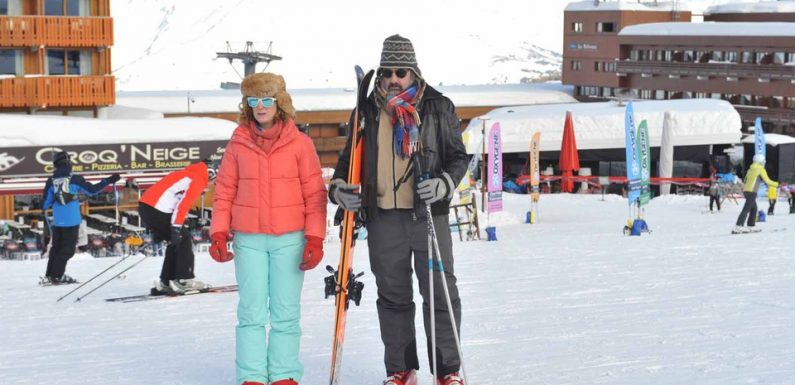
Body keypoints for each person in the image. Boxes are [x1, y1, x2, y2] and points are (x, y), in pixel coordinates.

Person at [328, 35, 469, 385]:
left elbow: (458, 158)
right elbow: (348, 164)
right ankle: (402, 369)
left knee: (439, 292)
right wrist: (338, 190)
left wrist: (444, 184)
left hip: (426, 217)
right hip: (382, 218)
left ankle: (447, 371)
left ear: (414, 73)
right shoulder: (366, 112)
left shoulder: (438, 106)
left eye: (401, 71)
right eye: (388, 71)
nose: (393, 78)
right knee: (393, 296)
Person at [209, 72, 327, 385]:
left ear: (279, 103)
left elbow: (315, 194)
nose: (260, 107)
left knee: (286, 312)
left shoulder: (300, 145)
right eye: (253, 100)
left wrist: (315, 237)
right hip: (249, 240)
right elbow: (224, 192)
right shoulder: (237, 145)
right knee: (251, 312)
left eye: (266, 100)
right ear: (247, 105)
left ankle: (284, 374)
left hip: (290, 240)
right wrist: (218, 233)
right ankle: (252, 377)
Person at [138, 159, 217, 294]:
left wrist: (178, 227)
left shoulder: (187, 174)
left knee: (176, 242)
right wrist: (176, 228)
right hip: (157, 209)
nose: (211, 182)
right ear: (211, 173)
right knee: (184, 239)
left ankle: (167, 280)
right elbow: (183, 205)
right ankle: (184, 279)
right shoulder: (198, 178)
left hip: (147, 207)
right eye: (214, 178)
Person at [41, 151, 120, 284]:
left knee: (56, 248)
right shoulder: (75, 179)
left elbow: (45, 204)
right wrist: (109, 180)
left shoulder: (51, 181)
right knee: (67, 250)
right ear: (69, 163)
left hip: (58, 221)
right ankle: (56, 276)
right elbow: (92, 190)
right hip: (72, 220)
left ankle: (50, 275)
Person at [733, 154, 778, 234]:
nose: (764, 163)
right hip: (752, 192)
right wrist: (777, 184)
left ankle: (751, 225)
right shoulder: (760, 169)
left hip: (746, 191)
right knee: (746, 209)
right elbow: (767, 181)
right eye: (763, 161)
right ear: (760, 162)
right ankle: (738, 226)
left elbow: (745, 180)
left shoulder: (750, 169)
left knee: (754, 208)